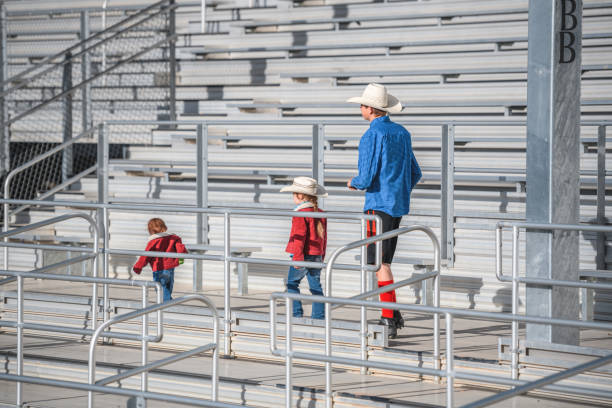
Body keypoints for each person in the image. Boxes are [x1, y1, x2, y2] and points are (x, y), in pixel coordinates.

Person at [346, 83, 422, 338]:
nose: (360, 108)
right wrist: (399, 189)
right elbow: (415, 172)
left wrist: (353, 183)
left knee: (380, 262)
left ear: (371, 109)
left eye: (362, 105)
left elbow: (366, 178)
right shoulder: (403, 133)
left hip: (377, 203)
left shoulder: (371, 135)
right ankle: (394, 312)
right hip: (397, 203)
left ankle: (389, 317)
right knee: (385, 260)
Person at [280, 176, 328, 319]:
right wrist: (322, 255)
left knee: (292, 284)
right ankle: (319, 316)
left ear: (300, 195)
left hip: (302, 255)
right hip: (316, 254)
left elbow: (299, 237)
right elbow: (323, 238)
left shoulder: (300, 214)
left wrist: (297, 258)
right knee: (316, 287)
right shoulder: (320, 213)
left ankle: (296, 314)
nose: (293, 197)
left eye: (293, 194)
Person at [133, 218, 188, 302]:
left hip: (158, 268)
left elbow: (145, 256)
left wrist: (138, 267)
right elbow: (181, 249)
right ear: (164, 227)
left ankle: (167, 303)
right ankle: (168, 301)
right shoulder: (174, 238)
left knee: (160, 288)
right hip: (170, 268)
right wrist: (180, 260)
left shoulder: (153, 241)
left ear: (150, 230)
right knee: (168, 286)